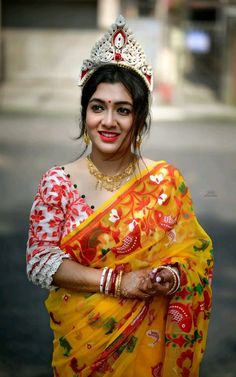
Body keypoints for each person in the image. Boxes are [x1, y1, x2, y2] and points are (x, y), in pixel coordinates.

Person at [26, 15, 213, 377]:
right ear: (85, 113)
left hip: (150, 350)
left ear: (139, 120)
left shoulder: (164, 181)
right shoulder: (57, 183)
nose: (108, 121)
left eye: (122, 110)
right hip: (84, 348)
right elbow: (40, 262)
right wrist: (118, 282)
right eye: (98, 107)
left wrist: (169, 279)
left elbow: (195, 257)